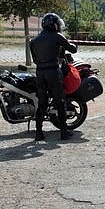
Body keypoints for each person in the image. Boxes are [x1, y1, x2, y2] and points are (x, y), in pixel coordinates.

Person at [29, 12, 78, 141]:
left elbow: (34, 59)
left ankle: (39, 133)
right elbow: (73, 49)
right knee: (60, 101)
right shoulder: (57, 36)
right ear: (53, 24)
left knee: (42, 103)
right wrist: (74, 43)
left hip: (40, 73)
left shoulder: (33, 41)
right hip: (53, 72)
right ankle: (63, 132)